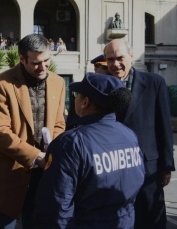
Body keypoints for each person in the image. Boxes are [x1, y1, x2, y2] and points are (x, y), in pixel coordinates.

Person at [33, 73, 145, 228]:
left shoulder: (70, 142)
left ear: (85, 102)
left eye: (77, 95)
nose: (75, 99)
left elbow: (55, 205)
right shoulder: (129, 135)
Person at [0, 33, 66, 229]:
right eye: (36, 63)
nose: (43, 68)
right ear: (22, 59)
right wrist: (36, 156)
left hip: (44, 177)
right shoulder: (1, 83)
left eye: (46, 61)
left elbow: (59, 124)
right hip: (8, 176)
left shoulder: (58, 82)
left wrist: (54, 148)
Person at [104, 38, 175, 229]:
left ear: (131, 56)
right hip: (112, 165)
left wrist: (166, 165)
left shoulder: (155, 83)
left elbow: (164, 126)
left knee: (150, 217)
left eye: (120, 57)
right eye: (110, 59)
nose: (115, 64)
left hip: (147, 166)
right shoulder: (100, 86)